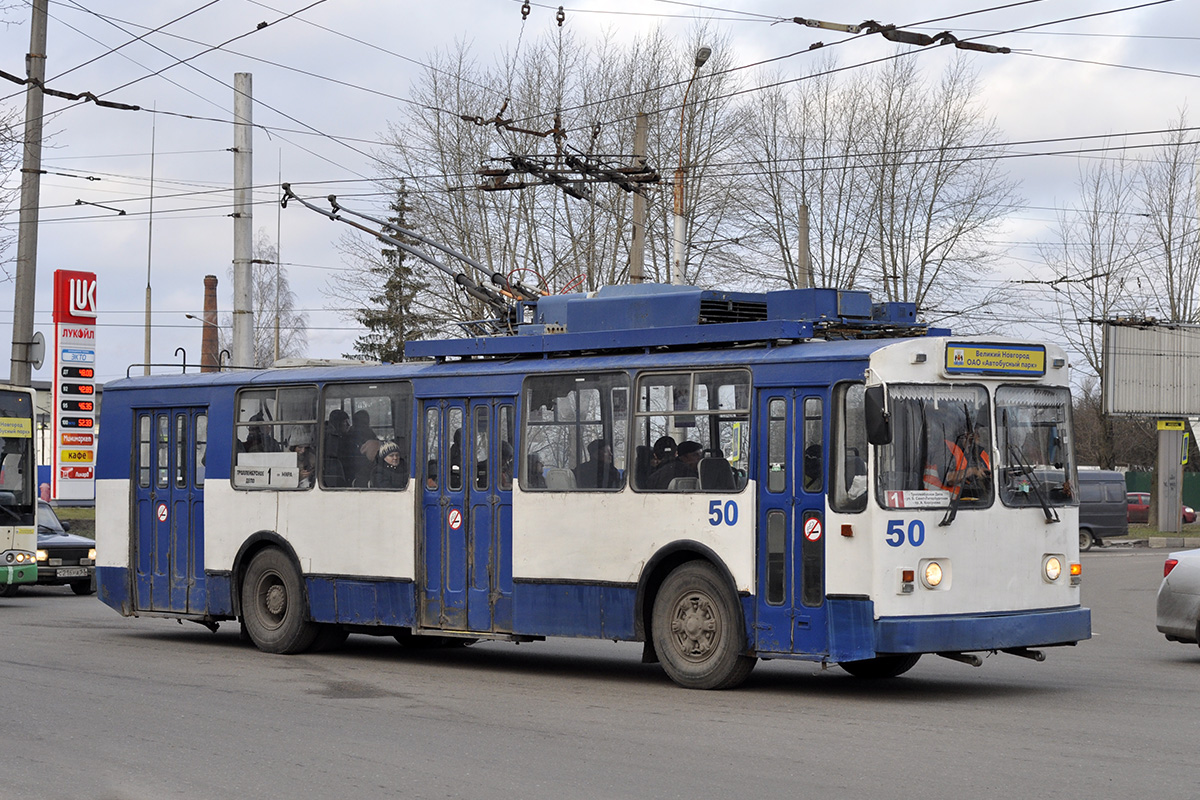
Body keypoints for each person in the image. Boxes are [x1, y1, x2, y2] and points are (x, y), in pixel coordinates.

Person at [926, 424, 992, 500]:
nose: (978, 437)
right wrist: (972, 471)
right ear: (966, 434)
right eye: (976, 433)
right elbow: (947, 478)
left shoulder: (981, 453)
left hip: (981, 502)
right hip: (946, 503)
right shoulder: (946, 448)